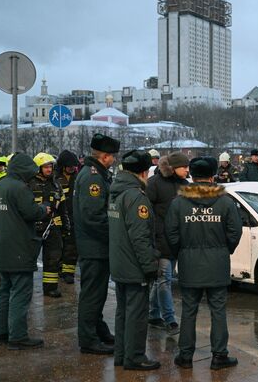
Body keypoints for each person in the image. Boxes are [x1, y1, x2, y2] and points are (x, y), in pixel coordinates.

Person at [165, 156, 242, 370]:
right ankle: (219, 356)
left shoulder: (179, 202)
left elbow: (170, 233)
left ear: (192, 175)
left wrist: (181, 252)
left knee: (189, 310)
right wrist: (225, 250)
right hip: (217, 264)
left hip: (189, 264)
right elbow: (235, 231)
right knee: (218, 310)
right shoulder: (225, 202)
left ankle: (185, 355)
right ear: (212, 176)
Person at [0, 153, 50, 350]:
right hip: (19, 248)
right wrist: (44, 209)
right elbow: (31, 212)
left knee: (4, 292)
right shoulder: (19, 188)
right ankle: (18, 337)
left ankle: (0, 334)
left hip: (2, 248)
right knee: (21, 293)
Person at [109, 150, 161, 371]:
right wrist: (150, 267)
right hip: (134, 267)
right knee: (137, 315)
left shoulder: (115, 193)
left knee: (123, 313)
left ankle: (122, 355)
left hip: (120, 264)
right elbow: (140, 237)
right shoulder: (136, 197)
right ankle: (135, 357)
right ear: (143, 172)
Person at [74, 133, 120, 354]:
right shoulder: (93, 177)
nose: (114, 160)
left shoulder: (96, 174)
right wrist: (114, 236)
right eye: (112, 156)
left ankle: (98, 330)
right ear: (104, 157)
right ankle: (88, 339)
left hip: (96, 246)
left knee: (97, 292)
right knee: (92, 294)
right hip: (95, 247)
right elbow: (93, 217)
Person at [146, 151, 189, 335]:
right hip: (160, 241)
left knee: (161, 280)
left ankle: (153, 314)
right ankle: (170, 319)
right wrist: (153, 238)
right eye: (184, 167)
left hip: (176, 241)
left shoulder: (186, 185)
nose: (188, 170)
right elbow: (147, 212)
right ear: (174, 167)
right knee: (165, 280)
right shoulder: (154, 183)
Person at [29, 153, 70, 298]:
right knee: (29, 259)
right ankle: (26, 288)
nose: (49, 169)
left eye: (50, 166)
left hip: (52, 226)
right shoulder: (29, 183)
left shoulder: (56, 184)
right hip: (33, 227)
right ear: (38, 168)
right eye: (46, 166)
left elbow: (63, 208)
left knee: (53, 258)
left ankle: (50, 287)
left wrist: (65, 226)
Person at [55, 150, 79, 284]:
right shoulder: (55, 179)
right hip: (59, 216)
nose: (72, 168)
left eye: (74, 166)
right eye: (69, 166)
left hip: (73, 216)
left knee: (72, 246)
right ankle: (59, 267)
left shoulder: (78, 178)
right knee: (59, 245)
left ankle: (68, 272)